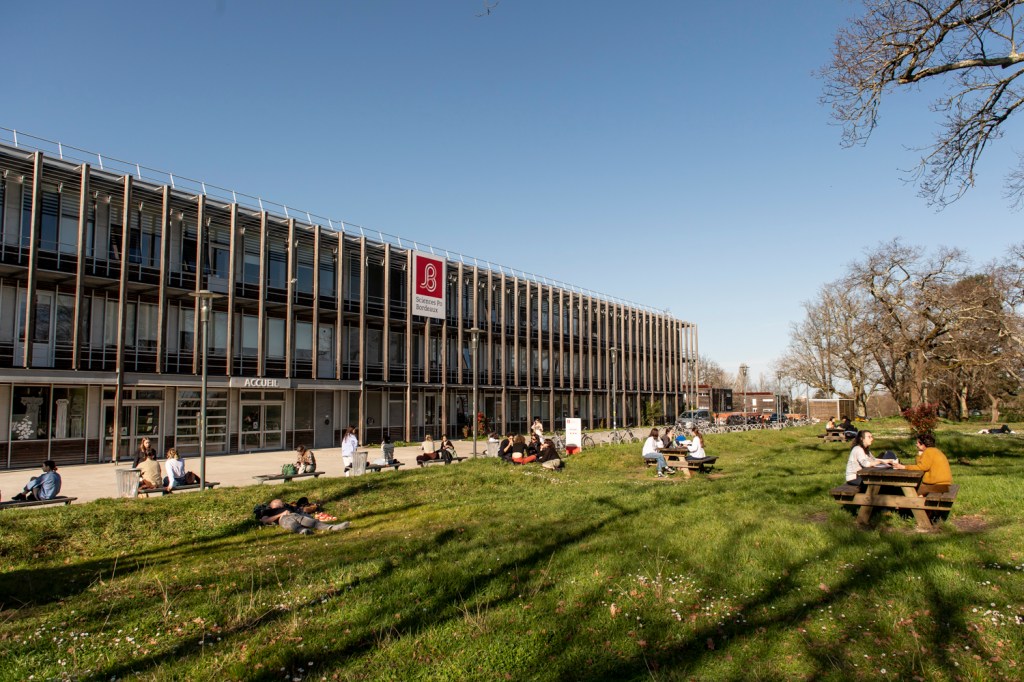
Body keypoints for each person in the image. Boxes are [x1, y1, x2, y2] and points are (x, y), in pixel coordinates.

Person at [257, 499, 350, 535]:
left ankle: (332, 527)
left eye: (281, 504)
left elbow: (303, 510)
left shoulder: (288, 507)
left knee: (311, 521)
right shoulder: (268, 511)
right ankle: (303, 531)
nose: (280, 505)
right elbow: (264, 520)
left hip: (295, 515)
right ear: (272, 505)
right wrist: (281, 514)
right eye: (278, 504)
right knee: (292, 523)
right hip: (282, 519)